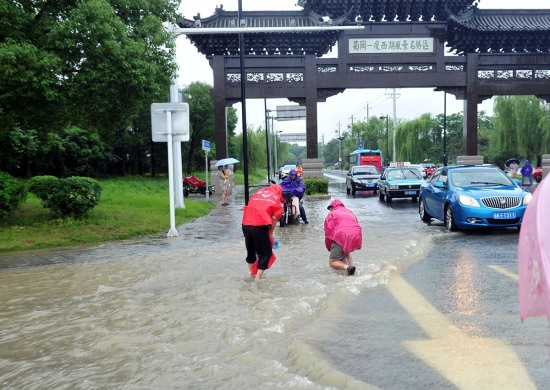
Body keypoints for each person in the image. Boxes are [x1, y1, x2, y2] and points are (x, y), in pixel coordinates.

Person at [242, 184, 286, 281]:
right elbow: (274, 218)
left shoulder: (256, 194)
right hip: (260, 226)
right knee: (265, 253)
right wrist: (270, 233)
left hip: (245, 224)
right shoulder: (276, 201)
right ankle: (257, 279)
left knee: (251, 251)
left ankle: (251, 275)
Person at [324, 199, 362, 276]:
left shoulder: (332, 214)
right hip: (356, 234)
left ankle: (348, 267)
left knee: (332, 262)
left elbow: (328, 233)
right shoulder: (349, 212)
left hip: (341, 234)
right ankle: (352, 269)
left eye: (330, 209)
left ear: (332, 207)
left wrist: (330, 247)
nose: (330, 211)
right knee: (346, 251)